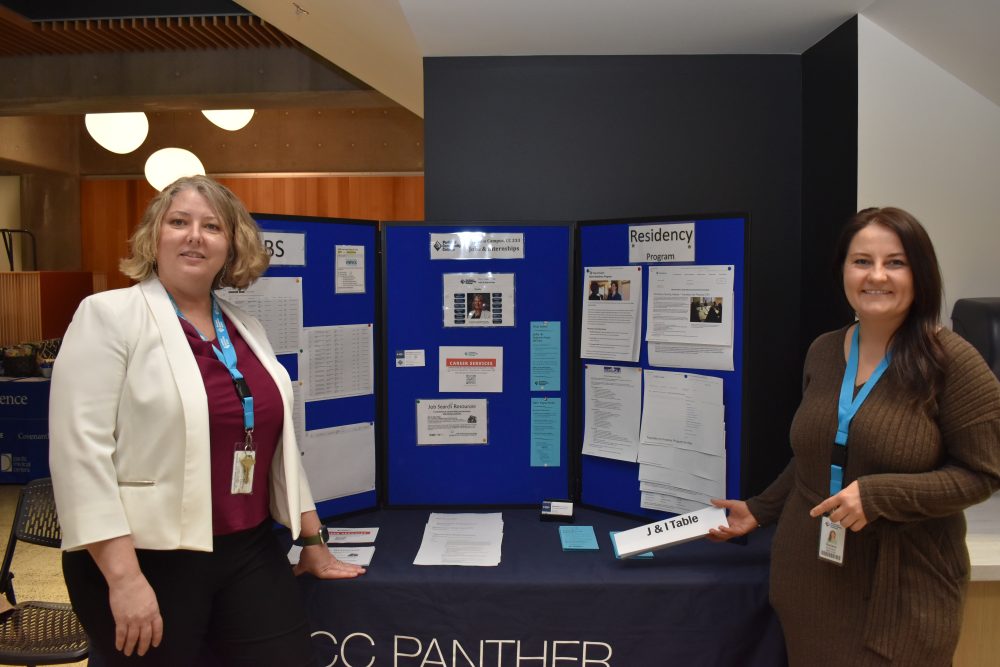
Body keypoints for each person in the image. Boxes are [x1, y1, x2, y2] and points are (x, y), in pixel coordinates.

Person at [49, 175, 365, 666]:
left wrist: (313, 542)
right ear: (155, 236)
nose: (194, 236)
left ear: (231, 246)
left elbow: (273, 447)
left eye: (211, 226)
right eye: (179, 222)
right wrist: (126, 580)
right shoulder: (109, 316)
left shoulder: (245, 326)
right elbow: (79, 457)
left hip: (249, 548)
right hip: (146, 558)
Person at [709, 207, 1000, 666]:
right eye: (861, 261)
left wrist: (879, 495)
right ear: (843, 270)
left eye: (895, 262)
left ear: (920, 273)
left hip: (903, 592)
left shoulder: (953, 362)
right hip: (811, 578)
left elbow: (983, 475)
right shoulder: (824, 351)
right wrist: (760, 510)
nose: (876, 276)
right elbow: (817, 454)